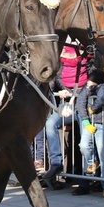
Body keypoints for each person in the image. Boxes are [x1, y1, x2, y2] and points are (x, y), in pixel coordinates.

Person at [42, 43, 91, 185]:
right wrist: (63, 90)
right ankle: (56, 162)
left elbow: (96, 81)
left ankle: (88, 173)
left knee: (84, 144)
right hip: (68, 107)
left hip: (84, 109)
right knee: (50, 124)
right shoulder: (63, 65)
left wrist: (80, 91)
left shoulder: (89, 62)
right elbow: (58, 79)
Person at [76, 69, 104, 198]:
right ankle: (92, 162)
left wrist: (93, 108)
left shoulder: (103, 88)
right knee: (84, 146)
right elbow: (80, 102)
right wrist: (86, 120)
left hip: (102, 124)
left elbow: (103, 98)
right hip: (89, 124)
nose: (89, 84)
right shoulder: (87, 88)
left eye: (91, 82)